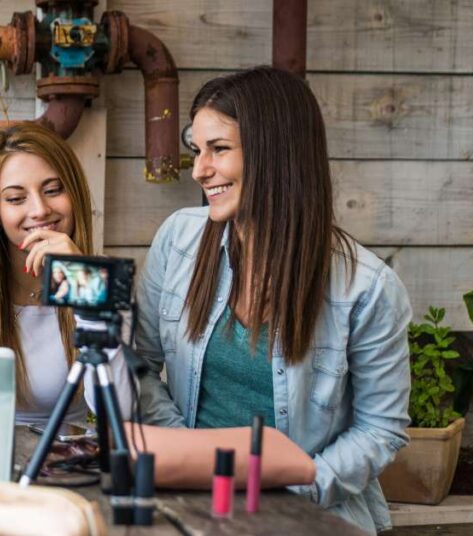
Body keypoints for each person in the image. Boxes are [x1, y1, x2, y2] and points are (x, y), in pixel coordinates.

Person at [134, 66, 411, 534]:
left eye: (219, 149)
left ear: (275, 153)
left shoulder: (366, 288)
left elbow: (380, 429)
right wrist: (193, 458)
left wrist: (288, 488)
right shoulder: (179, 239)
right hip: (194, 503)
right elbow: (139, 364)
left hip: (311, 512)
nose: (201, 169)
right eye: (197, 150)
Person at [0, 123, 132, 425]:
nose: (40, 210)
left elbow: (117, 412)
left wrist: (83, 286)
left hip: (62, 459)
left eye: (53, 190)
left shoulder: (101, 277)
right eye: (16, 198)